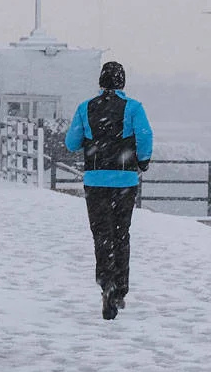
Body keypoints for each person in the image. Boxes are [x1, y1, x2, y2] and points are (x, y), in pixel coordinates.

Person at [64, 61, 154, 320]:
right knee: (121, 234)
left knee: (101, 234)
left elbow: (71, 143)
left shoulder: (85, 107)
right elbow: (145, 137)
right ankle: (120, 289)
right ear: (123, 82)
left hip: (95, 181)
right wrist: (143, 161)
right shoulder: (134, 108)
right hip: (124, 181)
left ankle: (106, 284)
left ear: (101, 82)